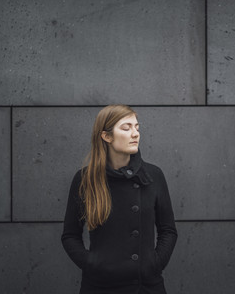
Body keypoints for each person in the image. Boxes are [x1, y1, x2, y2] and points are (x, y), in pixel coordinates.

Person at [61, 104, 178, 294]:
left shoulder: (153, 175)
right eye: (126, 128)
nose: (135, 134)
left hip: (146, 286)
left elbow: (168, 230)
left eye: (137, 127)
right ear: (106, 136)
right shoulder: (85, 179)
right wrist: (93, 264)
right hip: (100, 286)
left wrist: (154, 264)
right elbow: (70, 235)